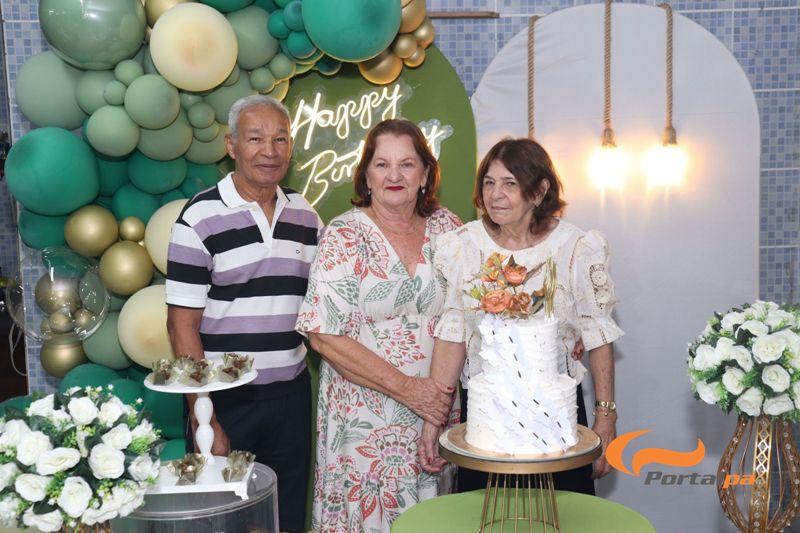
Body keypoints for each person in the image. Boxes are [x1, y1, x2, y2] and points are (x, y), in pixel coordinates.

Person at [419, 138, 623, 494]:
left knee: (562, 514)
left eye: (509, 184)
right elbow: (452, 335)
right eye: (489, 182)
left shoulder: (576, 248)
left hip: (557, 420)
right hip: (485, 419)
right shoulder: (463, 246)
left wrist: (605, 416)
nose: (495, 195)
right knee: (485, 515)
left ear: (539, 191)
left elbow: (598, 335)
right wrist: (433, 419)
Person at [295, 119, 462, 532]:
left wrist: (434, 408)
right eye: (382, 164)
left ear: (426, 174)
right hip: (364, 421)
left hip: (436, 411)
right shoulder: (343, 236)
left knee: (433, 520)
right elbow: (323, 336)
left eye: (407, 164)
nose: (394, 175)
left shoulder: (450, 231)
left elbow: (462, 319)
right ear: (366, 176)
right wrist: (410, 391)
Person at [165, 95, 323, 532]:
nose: (269, 151)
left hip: (290, 396)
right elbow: (180, 325)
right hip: (225, 400)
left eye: (280, 139)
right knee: (225, 518)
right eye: (255, 139)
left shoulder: (306, 215)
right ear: (231, 145)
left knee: (286, 515)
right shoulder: (198, 217)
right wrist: (204, 413)